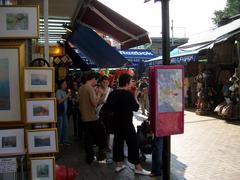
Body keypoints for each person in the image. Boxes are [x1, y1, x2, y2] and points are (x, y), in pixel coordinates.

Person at [105, 73, 150, 175]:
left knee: (118, 143)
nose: (131, 83)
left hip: (116, 123)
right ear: (126, 82)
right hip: (127, 123)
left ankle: (118, 165)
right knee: (133, 144)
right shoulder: (128, 94)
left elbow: (108, 107)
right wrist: (135, 96)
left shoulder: (113, 93)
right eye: (130, 81)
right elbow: (135, 107)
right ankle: (137, 167)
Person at [78, 72, 107, 164]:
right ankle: (100, 156)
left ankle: (90, 157)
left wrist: (101, 96)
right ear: (93, 79)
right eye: (96, 80)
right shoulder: (89, 88)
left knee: (88, 139)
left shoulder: (81, 88)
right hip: (92, 118)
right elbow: (94, 103)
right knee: (102, 135)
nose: (97, 82)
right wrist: (98, 94)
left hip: (84, 117)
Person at [56, 79, 71, 146]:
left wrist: (69, 97)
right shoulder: (58, 91)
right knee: (60, 127)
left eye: (66, 84)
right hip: (59, 112)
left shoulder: (65, 92)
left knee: (66, 127)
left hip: (64, 112)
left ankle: (65, 141)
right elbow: (59, 101)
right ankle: (59, 142)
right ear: (60, 85)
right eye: (64, 84)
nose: (65, 85)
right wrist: (67, 96)